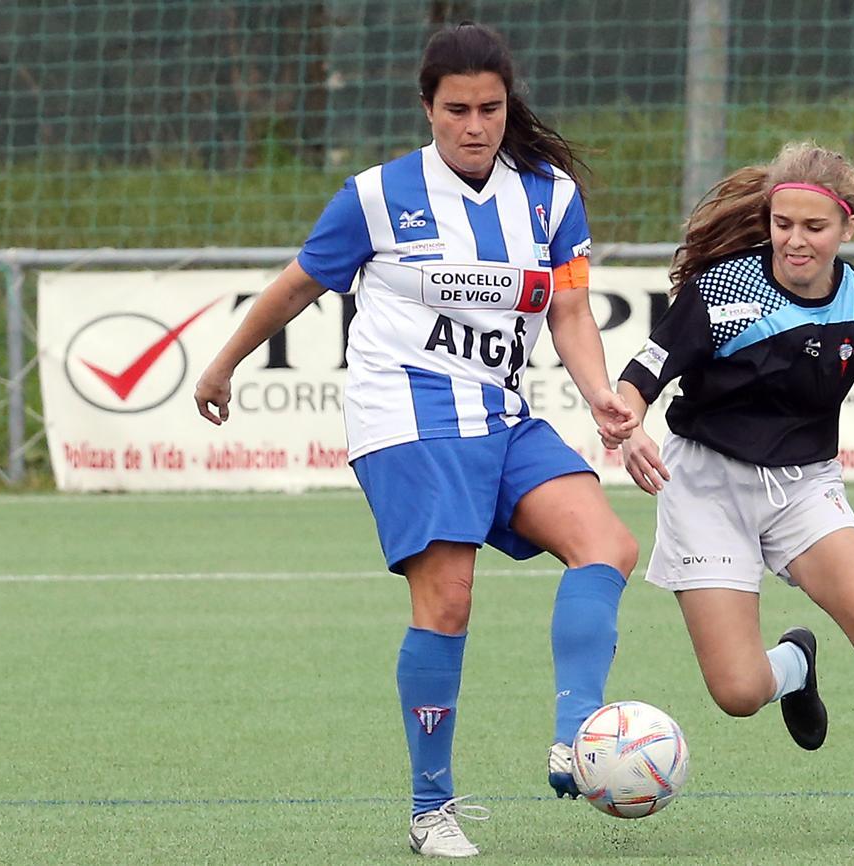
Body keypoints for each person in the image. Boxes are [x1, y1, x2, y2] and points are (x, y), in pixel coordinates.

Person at [194, 22, 639, 859]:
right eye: (457, 109)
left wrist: (601, 399)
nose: (476, 126)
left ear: (510, 105)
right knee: (449, 600)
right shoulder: (374, 196)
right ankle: (430, 808)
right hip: (404, 418)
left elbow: (572, 309)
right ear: (427, 110)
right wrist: (221, 368)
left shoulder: (550, 195)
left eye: (492, 108)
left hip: (501, 414)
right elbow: (295, 288)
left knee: (607, 545)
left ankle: (575, 733)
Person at [612, 141, 854, 843]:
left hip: (803, 488)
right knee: (738, 693)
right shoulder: (721, 291)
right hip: (705, 485)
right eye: (783, 223)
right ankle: (794, 664)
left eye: (814, 228)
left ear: (847, 227)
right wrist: (629, 425)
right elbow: (639, 377)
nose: (795, 240)